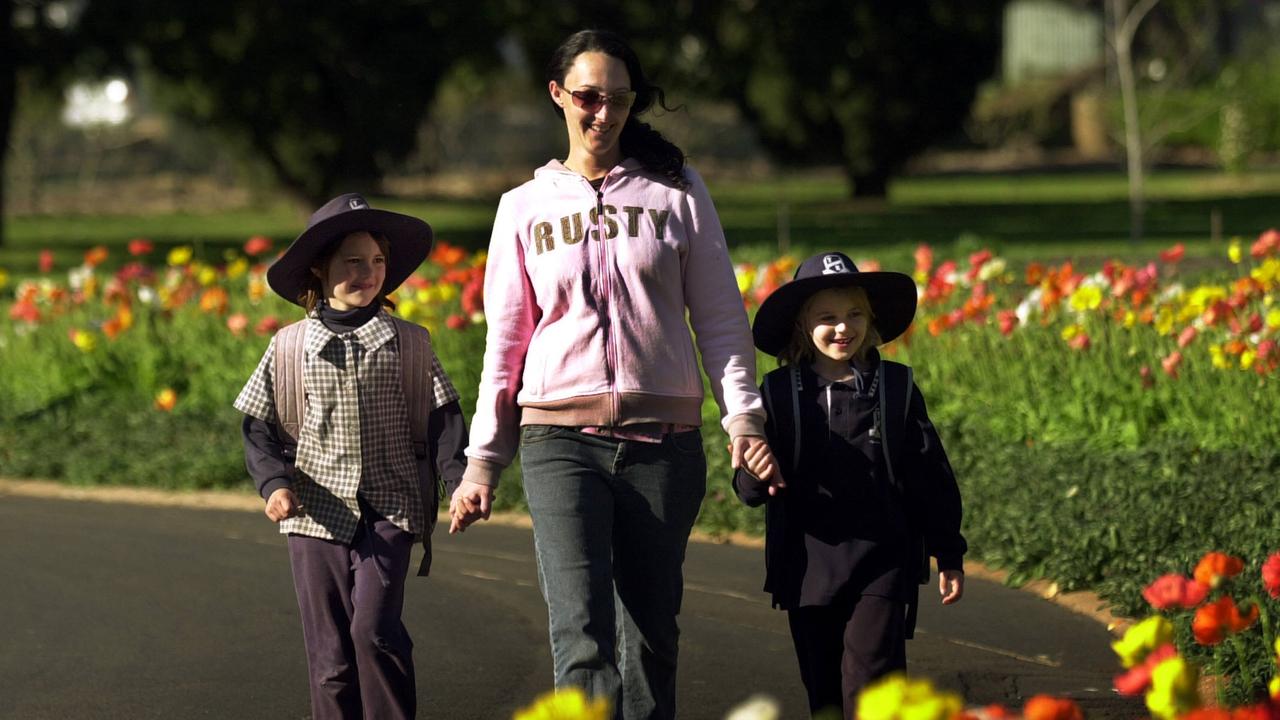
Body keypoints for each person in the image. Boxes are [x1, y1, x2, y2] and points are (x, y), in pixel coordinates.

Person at [450, 28, 779, 720]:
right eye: (588, 98)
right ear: (557, 96)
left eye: (620, 101)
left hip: (664, 446)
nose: (603, 115)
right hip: (558, 443)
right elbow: (505, 344)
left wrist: (744, 419)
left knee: (650, 637)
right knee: (582, 635)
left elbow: (720, 319)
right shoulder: (522, 209)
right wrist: (483, 462)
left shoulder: (677, 192)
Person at [234, 193, 468, 720]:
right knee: (330, 657)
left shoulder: (410, 344)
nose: (369, 272)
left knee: (374, 632)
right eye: (353, 262)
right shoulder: (289, 347)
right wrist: (274, 486)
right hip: (314, 515)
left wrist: (460, 481)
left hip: (390, 509)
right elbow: (258, 428)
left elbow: (444, 421)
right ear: (320, 268)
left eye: (378, 261)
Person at [733, 251, 966, 720]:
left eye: (854, 314)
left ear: (871, 318)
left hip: (883, 561)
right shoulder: (778, 393)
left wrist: (949, 550)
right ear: (802, 326)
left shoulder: (895, 387)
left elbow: (928, 474)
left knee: (873, 683)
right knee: (824, 691)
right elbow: (750, 489)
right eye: (827, 318)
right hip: (807, 566)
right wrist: (756, 470)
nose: (843, 328)